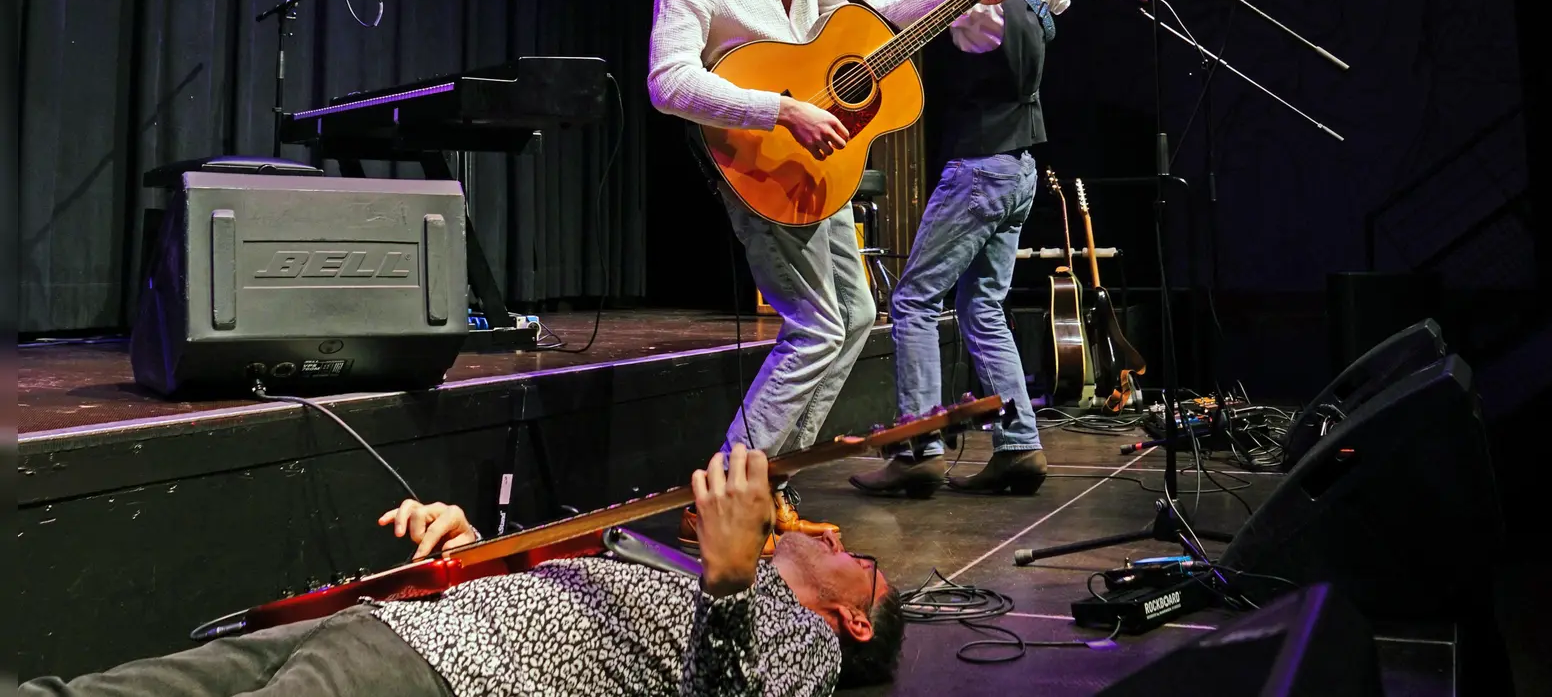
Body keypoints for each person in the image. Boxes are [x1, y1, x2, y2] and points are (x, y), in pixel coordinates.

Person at [648, 0, 1023, 542]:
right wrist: (781, 109)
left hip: (817, 162)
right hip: (762, 161)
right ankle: (722, 499)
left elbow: (878, 7)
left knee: (851, 319)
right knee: (817, 325)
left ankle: (768, 486)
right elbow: (668, 81)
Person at [21, 446, 905, 696]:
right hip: (405, 621)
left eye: (854, 560)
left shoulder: (804, 649)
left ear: (853, 618)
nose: (834, 537)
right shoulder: (671, 573)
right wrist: (476, 549)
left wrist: (731, 582)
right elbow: (557, 602)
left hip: (447, 672)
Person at [849, 0, 1071, 498]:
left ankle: (918, 447)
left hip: (978, 167)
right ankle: (1019, 445)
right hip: (1023, 167)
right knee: (982, 304)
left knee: (915, 300)